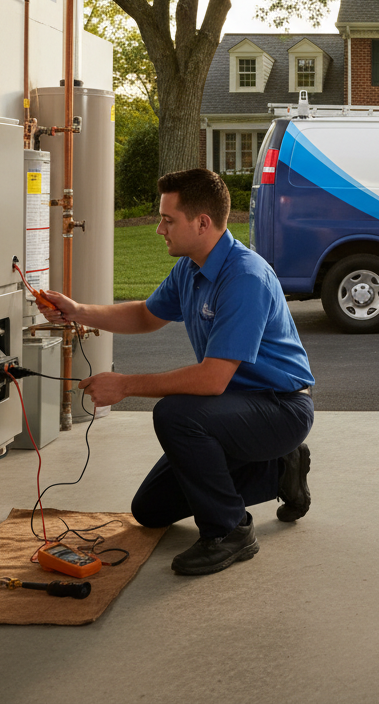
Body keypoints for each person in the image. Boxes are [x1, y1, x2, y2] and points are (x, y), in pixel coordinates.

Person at [40, 168, 315, 576]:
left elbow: (211, 379)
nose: (158, 229)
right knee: (150, 510)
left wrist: (126, 385)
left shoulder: (244, 278)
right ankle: (277, 469)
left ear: (202, 223)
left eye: (168, 219)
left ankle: (230, 531)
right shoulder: (191, 267)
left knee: (176, 415)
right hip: (231, 408)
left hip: (279, 408)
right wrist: (78, 310)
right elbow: (146, 315)